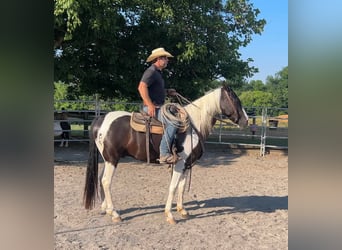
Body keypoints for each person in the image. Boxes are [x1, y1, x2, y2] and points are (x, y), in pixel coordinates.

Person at [138, 47, 178, 164]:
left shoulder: (158, 73)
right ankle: (164, 153)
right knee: (173, 122)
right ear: (157, 59)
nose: (167, 60)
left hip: (159, 106)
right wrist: (150, 105)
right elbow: (141, 87)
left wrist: (167, 91)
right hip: (153, 107)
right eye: (165, 58)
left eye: (166, 58)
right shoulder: (151, 71)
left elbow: (154, 90)